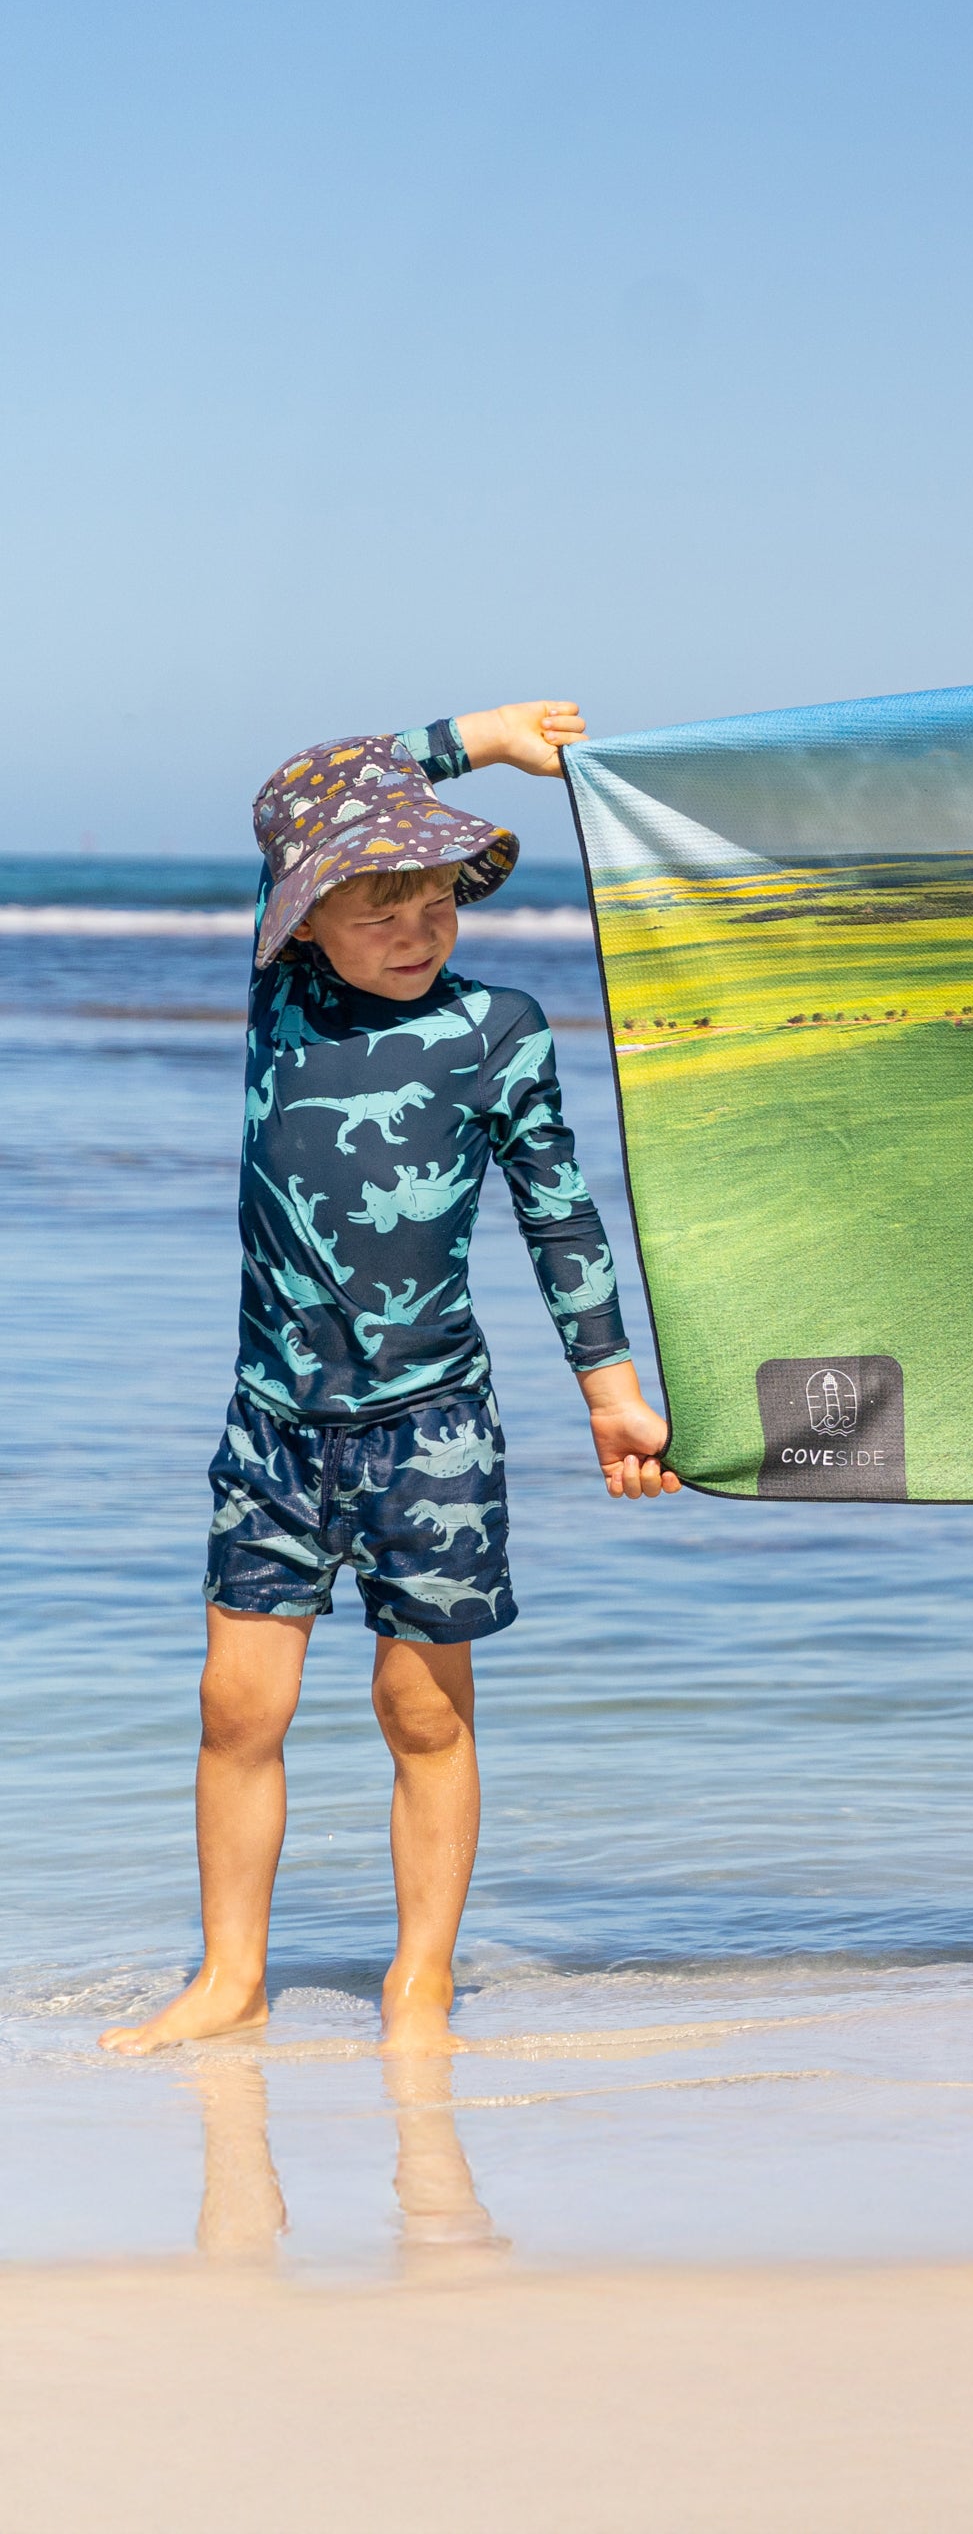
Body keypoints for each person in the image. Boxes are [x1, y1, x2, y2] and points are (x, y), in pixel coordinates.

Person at [103, 703, 677, 2059]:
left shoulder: (501, 1030)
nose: (416, 929)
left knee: (422, 1709)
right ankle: (230, 1977)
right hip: (275, 1428)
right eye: (378, 907)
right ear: (302, 919)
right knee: (236, 1707)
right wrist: (474, 736)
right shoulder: (283, 998)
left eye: (435, 900)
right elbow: (303, 781)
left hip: (433, 1432)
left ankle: (421, 1979)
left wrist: (611, 1391)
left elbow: (561, 1219)